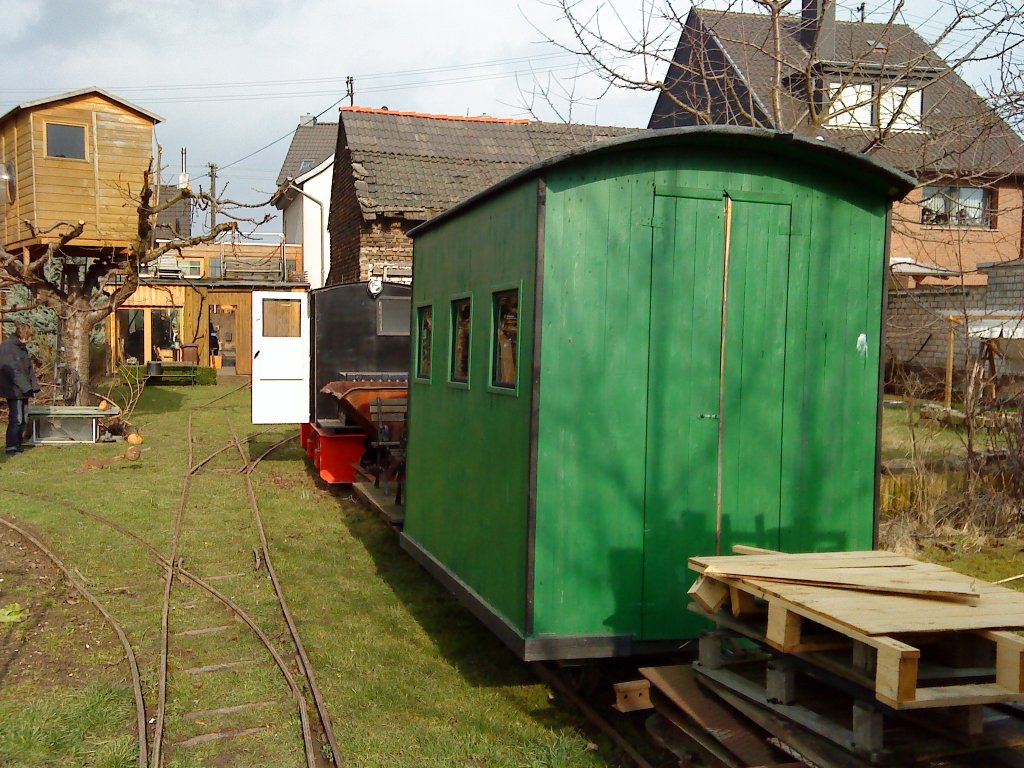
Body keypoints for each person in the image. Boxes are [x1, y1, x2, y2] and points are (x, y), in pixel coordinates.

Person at [0, 323, 40, 455]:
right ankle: (11, 446)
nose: (29, 340)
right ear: (23, 335)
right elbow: (14, 372)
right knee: (16, 418)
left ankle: (18, 443)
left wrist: (33, 387)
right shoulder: (7, 348)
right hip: (13, 390)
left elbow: (28, 369)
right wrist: (26, 388)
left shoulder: (22, 348)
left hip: (23, 390)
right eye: (29, 337)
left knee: (23, 419)